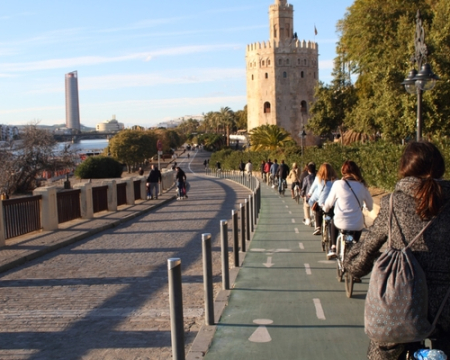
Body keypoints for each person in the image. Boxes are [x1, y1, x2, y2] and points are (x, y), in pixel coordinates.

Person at [344, 142, 450, 359]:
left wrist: (353, 265)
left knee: (383, 349)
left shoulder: (394, 204)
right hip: (446, 309)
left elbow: (366, 251)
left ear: (404, 169)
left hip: (402, 305)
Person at [323, 160, 373, 260]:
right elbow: (370, 206)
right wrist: (366, 207)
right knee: (356, 241)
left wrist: (325, 208)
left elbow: (329, 203)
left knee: (333, 221)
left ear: (343, 171)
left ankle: (333, 247)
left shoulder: (338, 184)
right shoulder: (362, 185)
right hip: (357, 224)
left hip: (340, 222)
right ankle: (355, 251)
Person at [308, 163, 338, 235]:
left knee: (318, 211)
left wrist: (309, 194)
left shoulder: (318, 178)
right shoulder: (335, 180)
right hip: (332, 204)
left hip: (322, 204)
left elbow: (312, 188)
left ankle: (318, 226)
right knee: (332, 215)